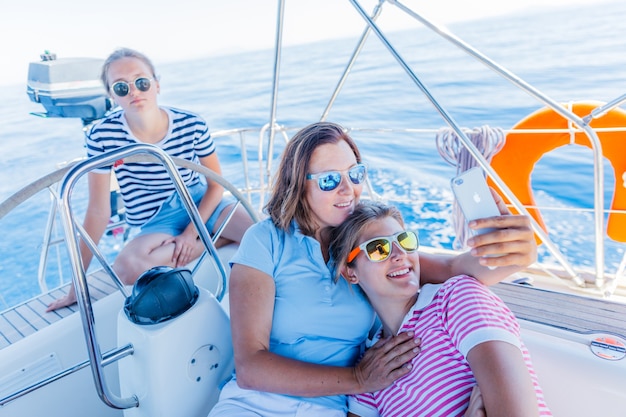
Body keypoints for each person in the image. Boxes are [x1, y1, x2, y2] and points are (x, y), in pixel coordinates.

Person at [208, 121, 537, 416]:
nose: (348, 189)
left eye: (355, 174)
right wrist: (359, 378)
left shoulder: (366, 242)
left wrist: (514, 252)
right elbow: (250, 367)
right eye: (329, 180)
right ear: (299, 185)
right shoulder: (266, 240)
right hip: (255, 404)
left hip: (332, 408)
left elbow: (454, 267)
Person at [47, 48, 253, 312]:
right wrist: (76, 285)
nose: (134, 91)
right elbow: (99, 210)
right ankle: (217, 238)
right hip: (155, 220)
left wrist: (191, 235)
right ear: (111, 95)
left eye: (141, 82)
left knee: (258, 232)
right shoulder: (101, 136)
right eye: (121, 87)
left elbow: (216, 185)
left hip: (200, 203)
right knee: (129, 268)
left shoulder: (192, 124)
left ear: (157, 84)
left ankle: (206, 237)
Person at [329, 200, 551, 417]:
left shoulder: (457, 298)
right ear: (351, 272)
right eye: (379, 249)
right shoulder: (372, 368)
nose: (399, 255)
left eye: (404, 241)